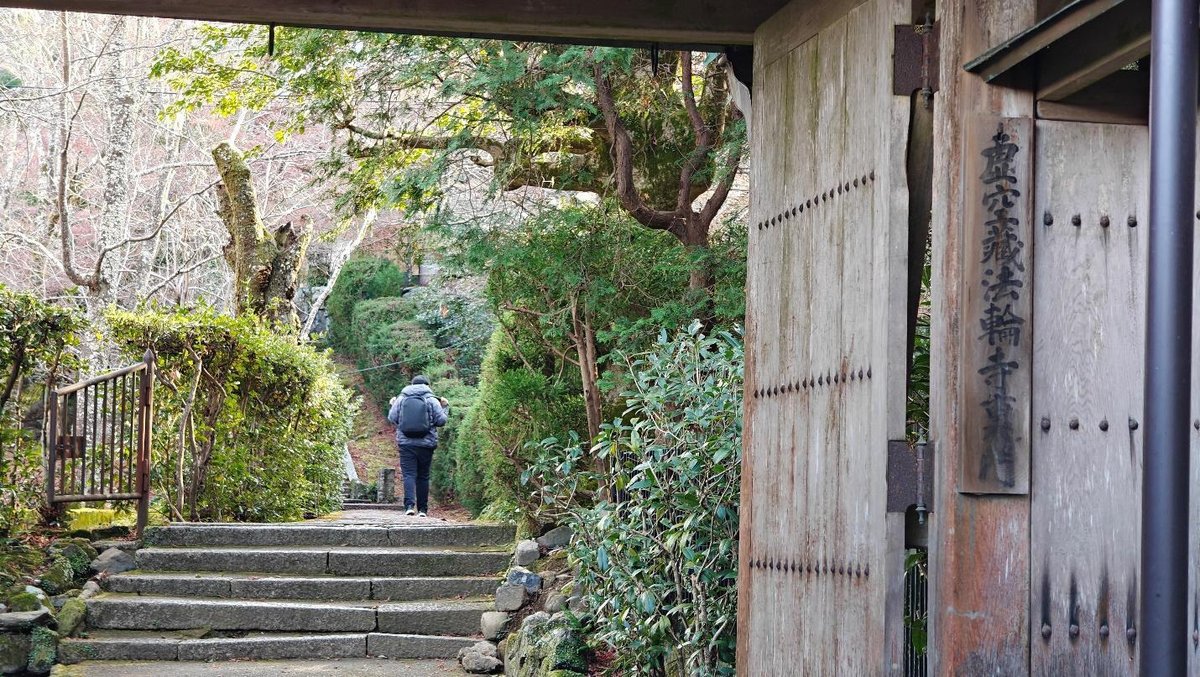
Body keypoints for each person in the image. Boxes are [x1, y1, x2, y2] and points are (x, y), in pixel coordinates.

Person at [387, 375, 449, 517]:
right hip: (426, 444)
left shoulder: (402, 398)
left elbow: (392, 418)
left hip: (406, 443)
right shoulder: (431, 399)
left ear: (411, 384)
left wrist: (392, 405)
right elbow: (441, 421)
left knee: (409, 474)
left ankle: (409, 506)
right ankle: (422, 510)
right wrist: (445, 407)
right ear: (427, 385)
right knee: (423, 476)